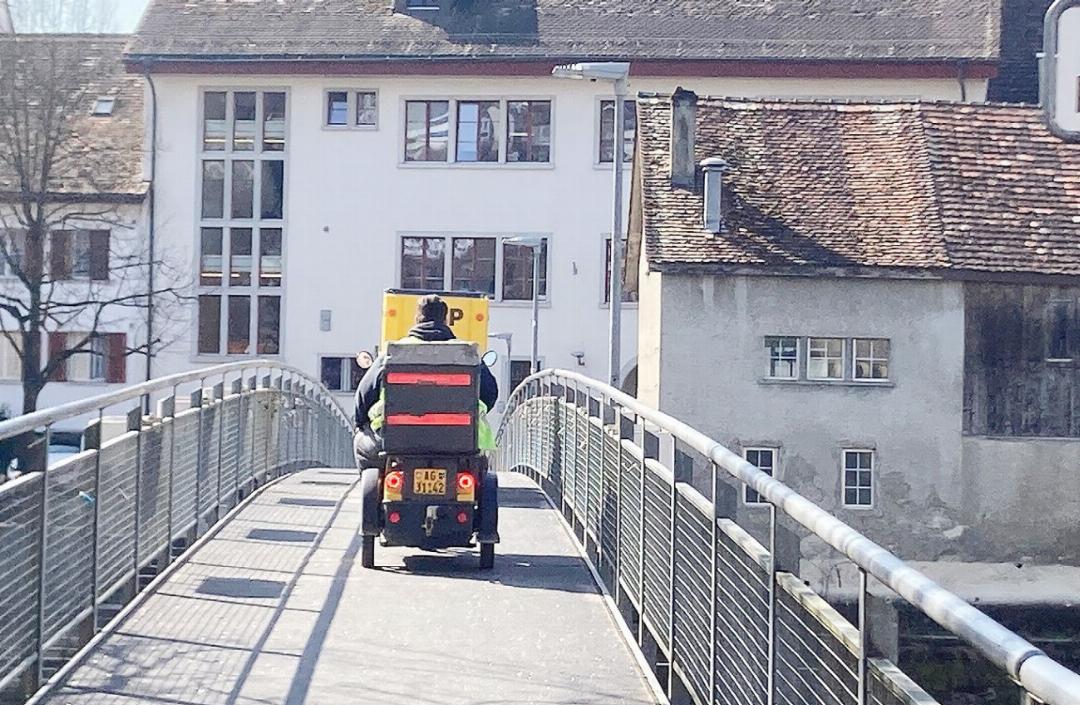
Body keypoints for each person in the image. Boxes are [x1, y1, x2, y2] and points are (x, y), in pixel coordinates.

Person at [353, 294, 498, 469]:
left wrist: (361, 424)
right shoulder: (467, 354)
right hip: (460, 443)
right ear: (445, 320)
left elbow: (363, 396)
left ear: (417, 319)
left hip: (398, 441)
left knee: (361, 443)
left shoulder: (393, 353)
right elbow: (490, 394)